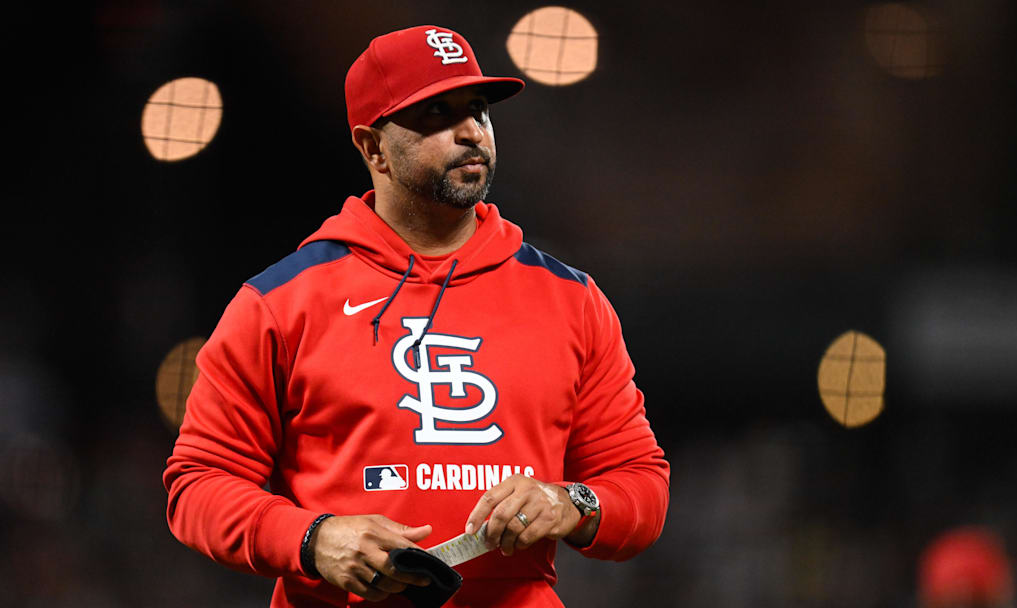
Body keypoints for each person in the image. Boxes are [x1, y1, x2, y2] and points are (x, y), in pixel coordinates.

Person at [163, 24, 670, 608]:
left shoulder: (570, 299)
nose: (470, 132)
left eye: (477, 110)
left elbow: (641, 485)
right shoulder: (282, 302)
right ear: (372, 147)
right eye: (435, 115)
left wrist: (569, 503)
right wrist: (312, 538)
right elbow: (196, 486)